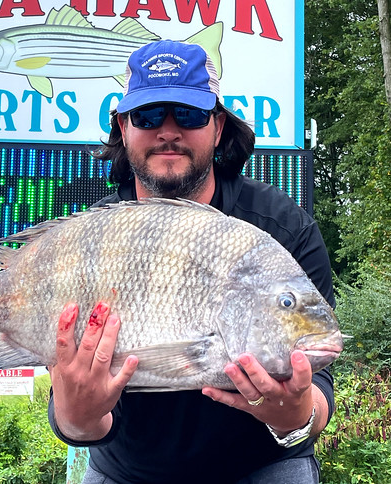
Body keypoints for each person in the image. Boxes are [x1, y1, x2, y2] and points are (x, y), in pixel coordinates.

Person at [47, 40, 335, 483]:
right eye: (147, 116)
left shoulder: (285, 229)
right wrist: (76, 417)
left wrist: (296, 416)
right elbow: (79, 421)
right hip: (127, 470)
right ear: (123, 126)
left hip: (262, 464)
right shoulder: (90, 240)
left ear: (218, 126)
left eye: (188, 114)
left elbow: (319, 393)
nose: (168, 132)